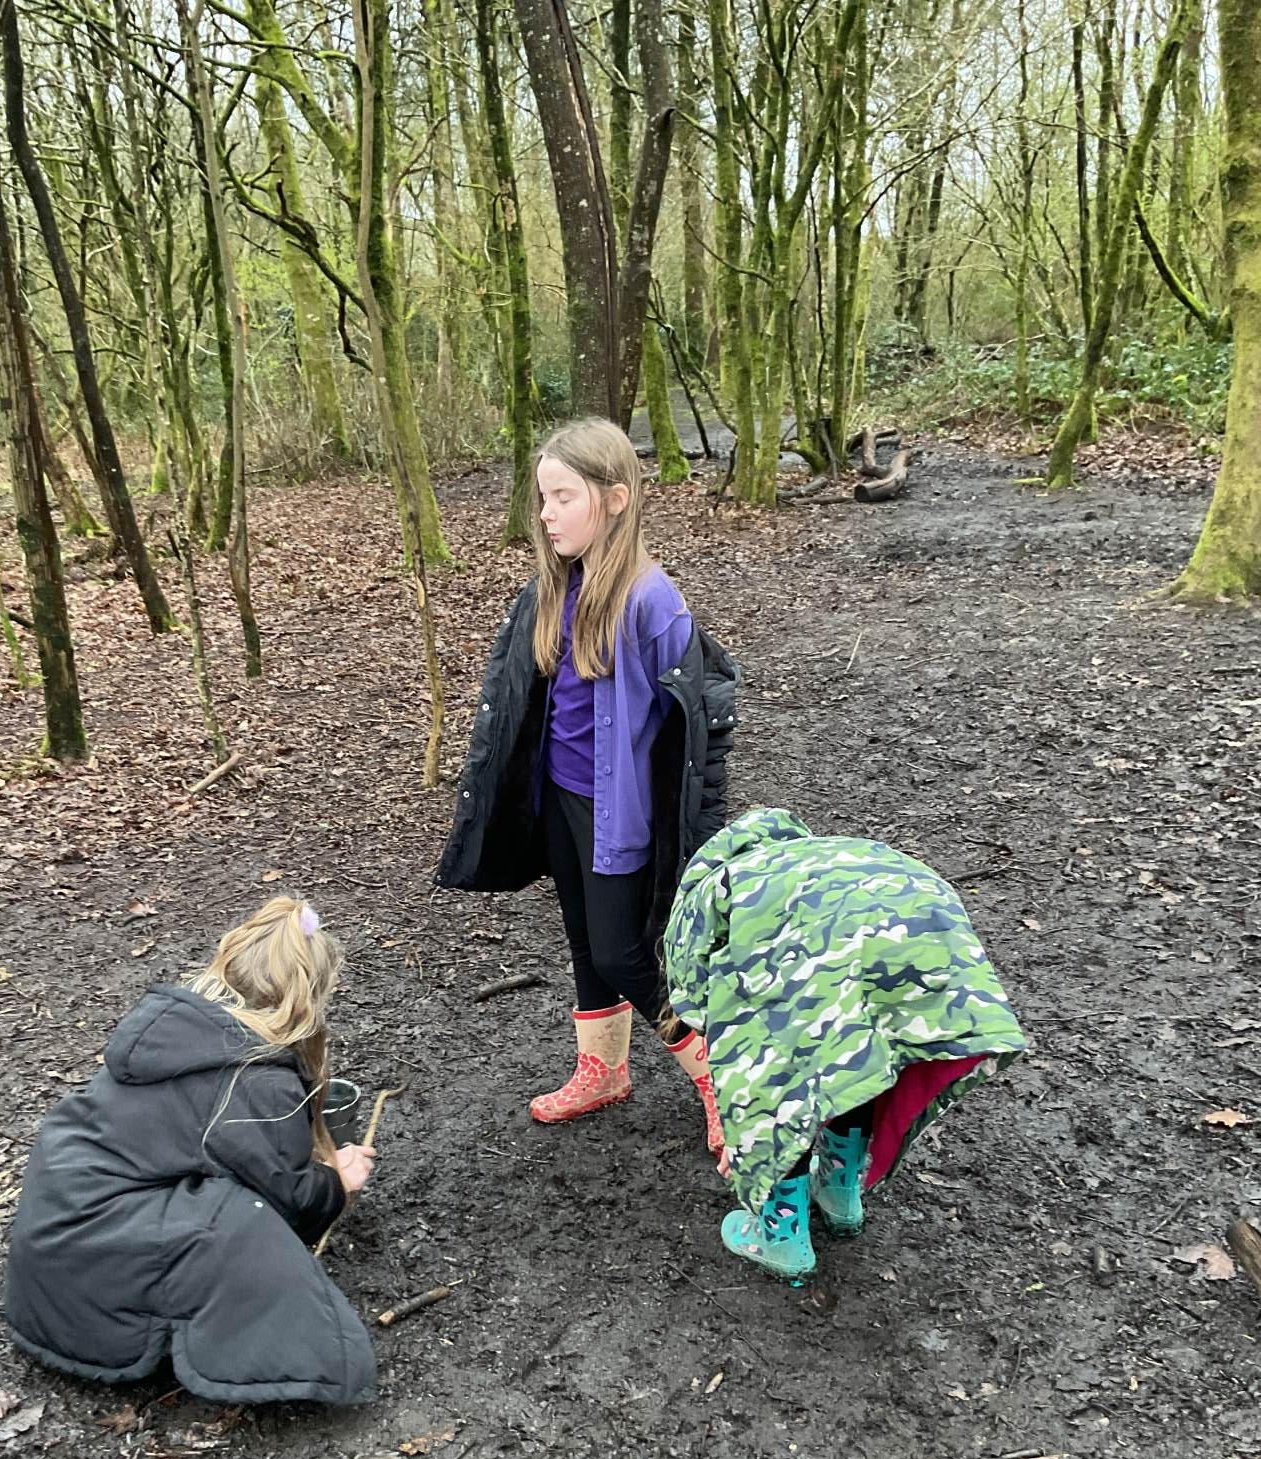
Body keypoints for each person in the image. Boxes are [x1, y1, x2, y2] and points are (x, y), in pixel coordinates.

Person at [438, 417, 739, 1156]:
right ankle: (603, 1069)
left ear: (614, 498)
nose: (545, 514)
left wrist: (696, 834)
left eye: (562, 497)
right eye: (542, 497)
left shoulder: (651, 601)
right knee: (582, 939)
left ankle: (724, 1079)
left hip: (620, 815)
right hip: (560, 800)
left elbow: (701, 727)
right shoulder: (552, 587)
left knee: (622, 953)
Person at [4, 898, 377, 1405]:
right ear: (307, 999)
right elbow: (287, 1200)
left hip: (54, 1254)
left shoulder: (179, 1031)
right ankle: (315, 1368)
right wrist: (336, 1182)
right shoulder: (258, 1081)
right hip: (92, 1284)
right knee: (239, 1219)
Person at [664, 809, 1030, 1280]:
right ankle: (840, 1193)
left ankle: (781, 1238)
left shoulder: (711, 893)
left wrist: (745, 1131)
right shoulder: (815, 857)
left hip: (845, 937)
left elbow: (702, 1005)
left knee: (780, 1079)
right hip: (924, 923)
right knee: (860, 1052)